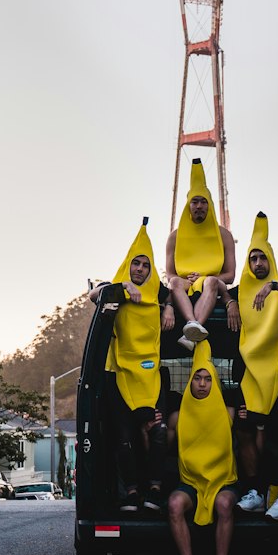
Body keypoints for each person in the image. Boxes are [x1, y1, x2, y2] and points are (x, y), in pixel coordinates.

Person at [89, 218, 175, 512]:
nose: (139, 269)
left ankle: (155, 490)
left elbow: (174, 292)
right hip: (119, 375)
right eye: (135, 264)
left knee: (159, 432)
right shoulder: (114, 288)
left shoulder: (158, 291)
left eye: (145, 265)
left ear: (151, 269)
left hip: (151, 377)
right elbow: (92, 294)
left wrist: (170, 308)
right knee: (124, 437)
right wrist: (123, 285)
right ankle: (132, 493)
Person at [228, 212, 278, 521]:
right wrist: (230, 302)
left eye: (262, 258)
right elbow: (215, 289)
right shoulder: (241, 290)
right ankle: (256, 491)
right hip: (253, 378)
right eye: (253, 258)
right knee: (246, 431)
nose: (257, 263)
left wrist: (273, 286)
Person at [168, 340, 238, 555]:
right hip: (191, 482)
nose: (202, 383)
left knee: (224, 504)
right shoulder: (177, 416)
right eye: (197, 378)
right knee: (175, 504)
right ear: (190, 381)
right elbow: (162, 450)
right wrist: (154, 427)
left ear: (214, 382)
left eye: (208, 379)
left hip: (222, 480)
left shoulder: (228, 412)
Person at [165, 158, 236, 350]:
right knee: (174, 282)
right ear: (188, 205)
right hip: (185, 284)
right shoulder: (174, 237)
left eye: (203, 202)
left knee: (211, 282)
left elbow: (230, 276)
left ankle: (191, 328)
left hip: (213, 285)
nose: (199, 206)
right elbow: (170, 274)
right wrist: (186, 278)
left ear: (209, 205)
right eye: (194, 201)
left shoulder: (224, 235)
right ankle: (193, 325)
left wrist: (206, 277)